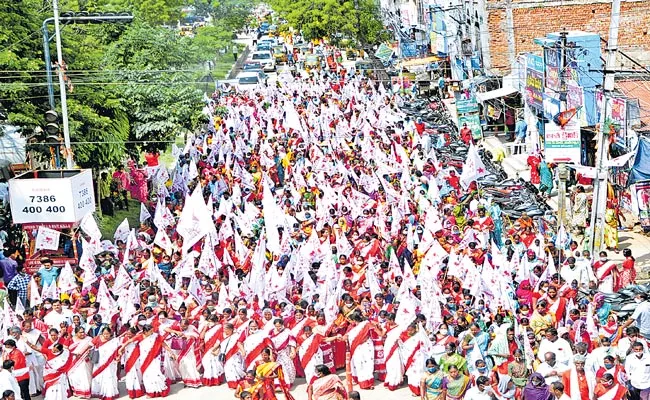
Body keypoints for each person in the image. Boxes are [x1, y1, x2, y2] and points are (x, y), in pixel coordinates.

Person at [90, 327, 120, 400]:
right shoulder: (97, 338)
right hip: (100, 362)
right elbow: (89, 346)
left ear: (110, 334)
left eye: (107, 334)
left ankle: (108, 393)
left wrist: (118, 357)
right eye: (104, 334)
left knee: (109, 376)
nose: (106, 335)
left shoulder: (114, 341)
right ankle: (98, 391)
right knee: (98, 375)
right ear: (102, 334)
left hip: (110, 363)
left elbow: (119, 350)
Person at [67, 327, 92, 398]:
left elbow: (93, 347)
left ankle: (86, 392)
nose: (82, 334)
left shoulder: (89, 339)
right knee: (75, 376)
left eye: (83, 332)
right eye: (80, 332)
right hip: (74, 361)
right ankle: (77, 392)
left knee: (85, 376)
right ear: (76, 333)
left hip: (85, 360)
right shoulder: (71, 340)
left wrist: (87, 352)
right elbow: (66, 350)